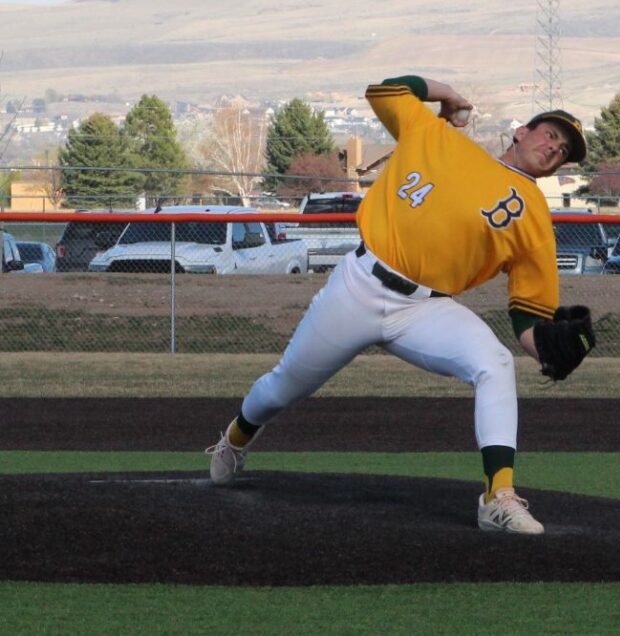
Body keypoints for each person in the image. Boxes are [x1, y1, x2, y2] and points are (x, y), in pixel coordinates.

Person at [207, 75, 594, 535]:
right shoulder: (434, 135)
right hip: (358, 286)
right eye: (551, 133)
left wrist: (547, 351)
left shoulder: (533, 214)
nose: (555, 148)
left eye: (564, 150)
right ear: (521, 132)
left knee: (494, 362)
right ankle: (236, 436)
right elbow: (385, 91)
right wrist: (446, 93)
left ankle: (499, 496)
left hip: (425, 309)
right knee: (285, 385)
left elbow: (528, 311)